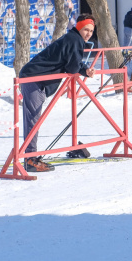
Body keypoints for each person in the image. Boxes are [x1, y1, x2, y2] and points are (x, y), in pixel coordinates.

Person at [18, 14, 96, 172]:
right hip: (33, 78)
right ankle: (30, 158)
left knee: (34, 118)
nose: (88, 33)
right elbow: (72, 67)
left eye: (91, 31)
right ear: (79, 28)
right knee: (33, 119)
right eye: (86, 29)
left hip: (35, 78)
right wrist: (82, 69)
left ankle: (31, 156)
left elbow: (72, 62)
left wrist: (85, 69)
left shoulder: (73, 38)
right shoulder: (75, 41)